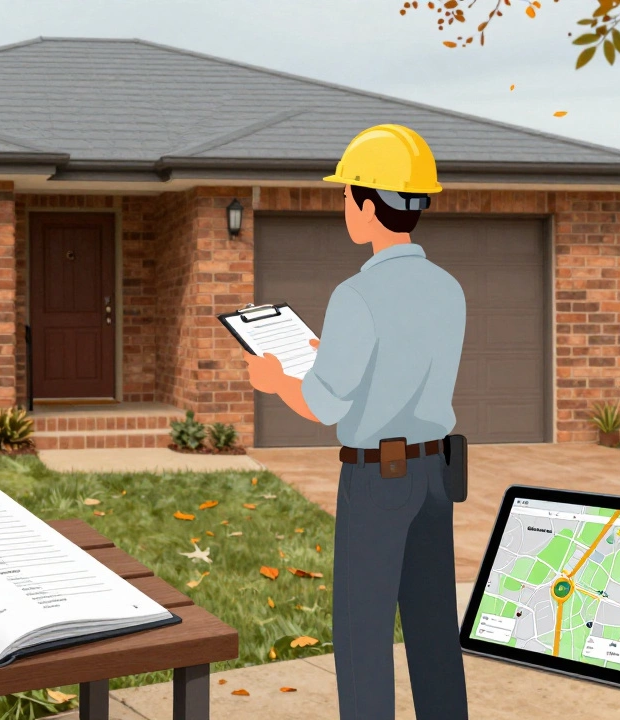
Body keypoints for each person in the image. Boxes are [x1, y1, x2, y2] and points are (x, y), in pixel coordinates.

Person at [244, 124, 469, 720]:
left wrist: (275, 380)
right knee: (432, 626)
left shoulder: (357, 295)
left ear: (371, 203)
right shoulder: (448, 288)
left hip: (379, 479)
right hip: (436, 474)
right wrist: (334, 352)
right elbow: (405, 363)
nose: (343, 204)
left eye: (346, 195)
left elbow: (326, 405)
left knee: (364, 631)